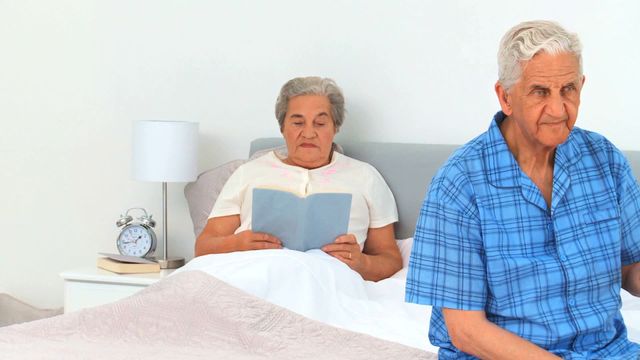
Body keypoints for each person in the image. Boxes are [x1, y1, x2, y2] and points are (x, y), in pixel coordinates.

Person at [406, 20, 640, 359]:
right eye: (540, 92)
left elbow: (630, 267)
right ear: (506, 97)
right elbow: (466, 331)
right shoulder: (459, 183)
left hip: (606, 350)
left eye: (569, 89)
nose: (559, 110)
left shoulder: (605, 159)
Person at [195, 76, 402, 281]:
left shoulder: (365, 177)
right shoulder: (249, 173)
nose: (309, 133)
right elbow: (203, 247)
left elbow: (391, 259)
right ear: (283, 128)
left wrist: (361, 263)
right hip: (254, 278)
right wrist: (237, 244)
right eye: (297, 123)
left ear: (335, 128)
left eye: (320, 123)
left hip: (329, 282)